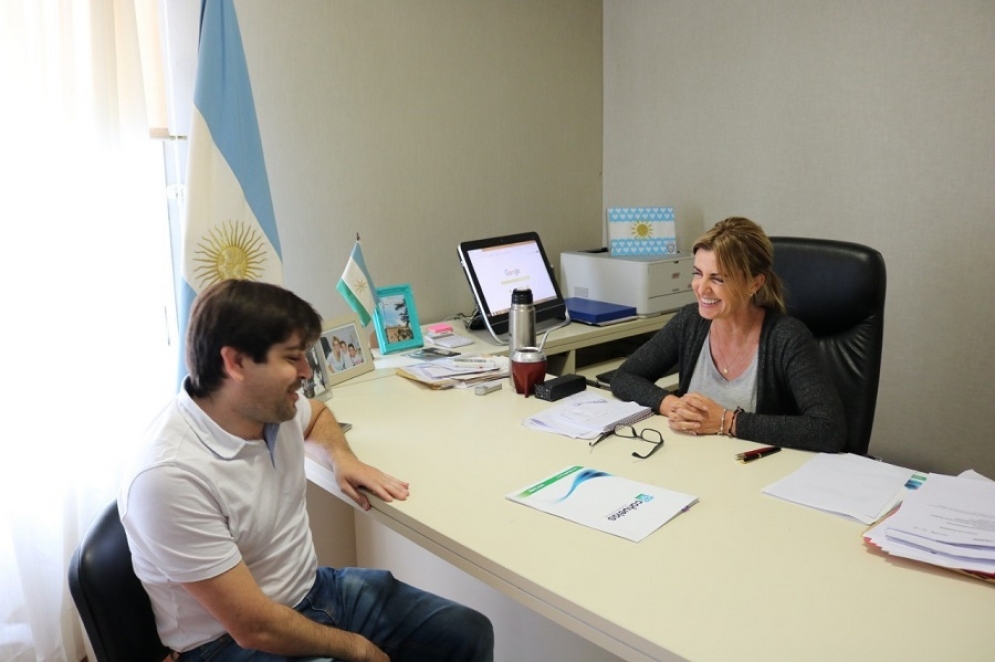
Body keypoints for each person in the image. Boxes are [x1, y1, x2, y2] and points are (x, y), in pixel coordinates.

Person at [120, 280, 494, 662]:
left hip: (313, 593)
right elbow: (254, 627)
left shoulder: (269, 408)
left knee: (467, 633)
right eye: (292, 357)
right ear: (235, 363)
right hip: (226, 643)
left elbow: (317, 416)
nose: (306, 371)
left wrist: (341, 458)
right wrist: (360, 649)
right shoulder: (169, 477)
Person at [610, 217, 846, 453]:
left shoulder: (786, 338)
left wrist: (727, 421)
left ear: (754, 284)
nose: (701, 288)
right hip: (692, 463)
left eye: (718, 278)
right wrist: (671, 404)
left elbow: (828, 429)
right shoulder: (690, 321)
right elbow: (625, 377)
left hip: (758, 472)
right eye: (697, 273)